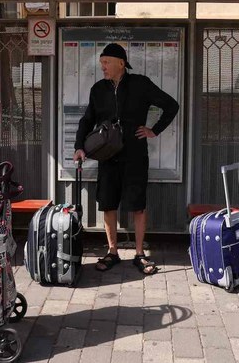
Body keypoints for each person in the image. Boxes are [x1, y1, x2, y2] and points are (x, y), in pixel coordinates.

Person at [73, 43, 179, 275]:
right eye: (101, 63)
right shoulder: (98, 89)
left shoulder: (140, 84)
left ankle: (140, 254)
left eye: (106, 62)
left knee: (137, 205)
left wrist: (154, 130)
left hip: (135, 155)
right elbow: (87, 119)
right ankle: (112, 251)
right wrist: (79, 146)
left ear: (121, 63)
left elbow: (171, 105)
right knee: (108, 203)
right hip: (107, 156)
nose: (103, 67)